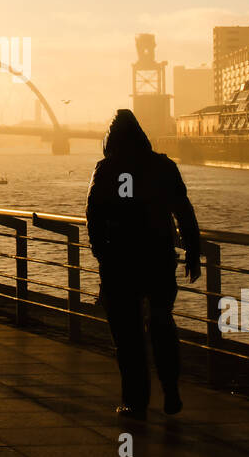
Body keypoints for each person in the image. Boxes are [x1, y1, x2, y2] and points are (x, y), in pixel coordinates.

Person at [86, 109, 201, 419]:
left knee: (128, 336)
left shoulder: (107, 169)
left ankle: (135, 401)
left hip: (120, 261)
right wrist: (192, 251)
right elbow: (184, 212)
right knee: (162, 321)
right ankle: (171, 387)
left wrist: (101, 253)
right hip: (159, 257)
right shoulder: (164, 166)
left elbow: (93, 215)